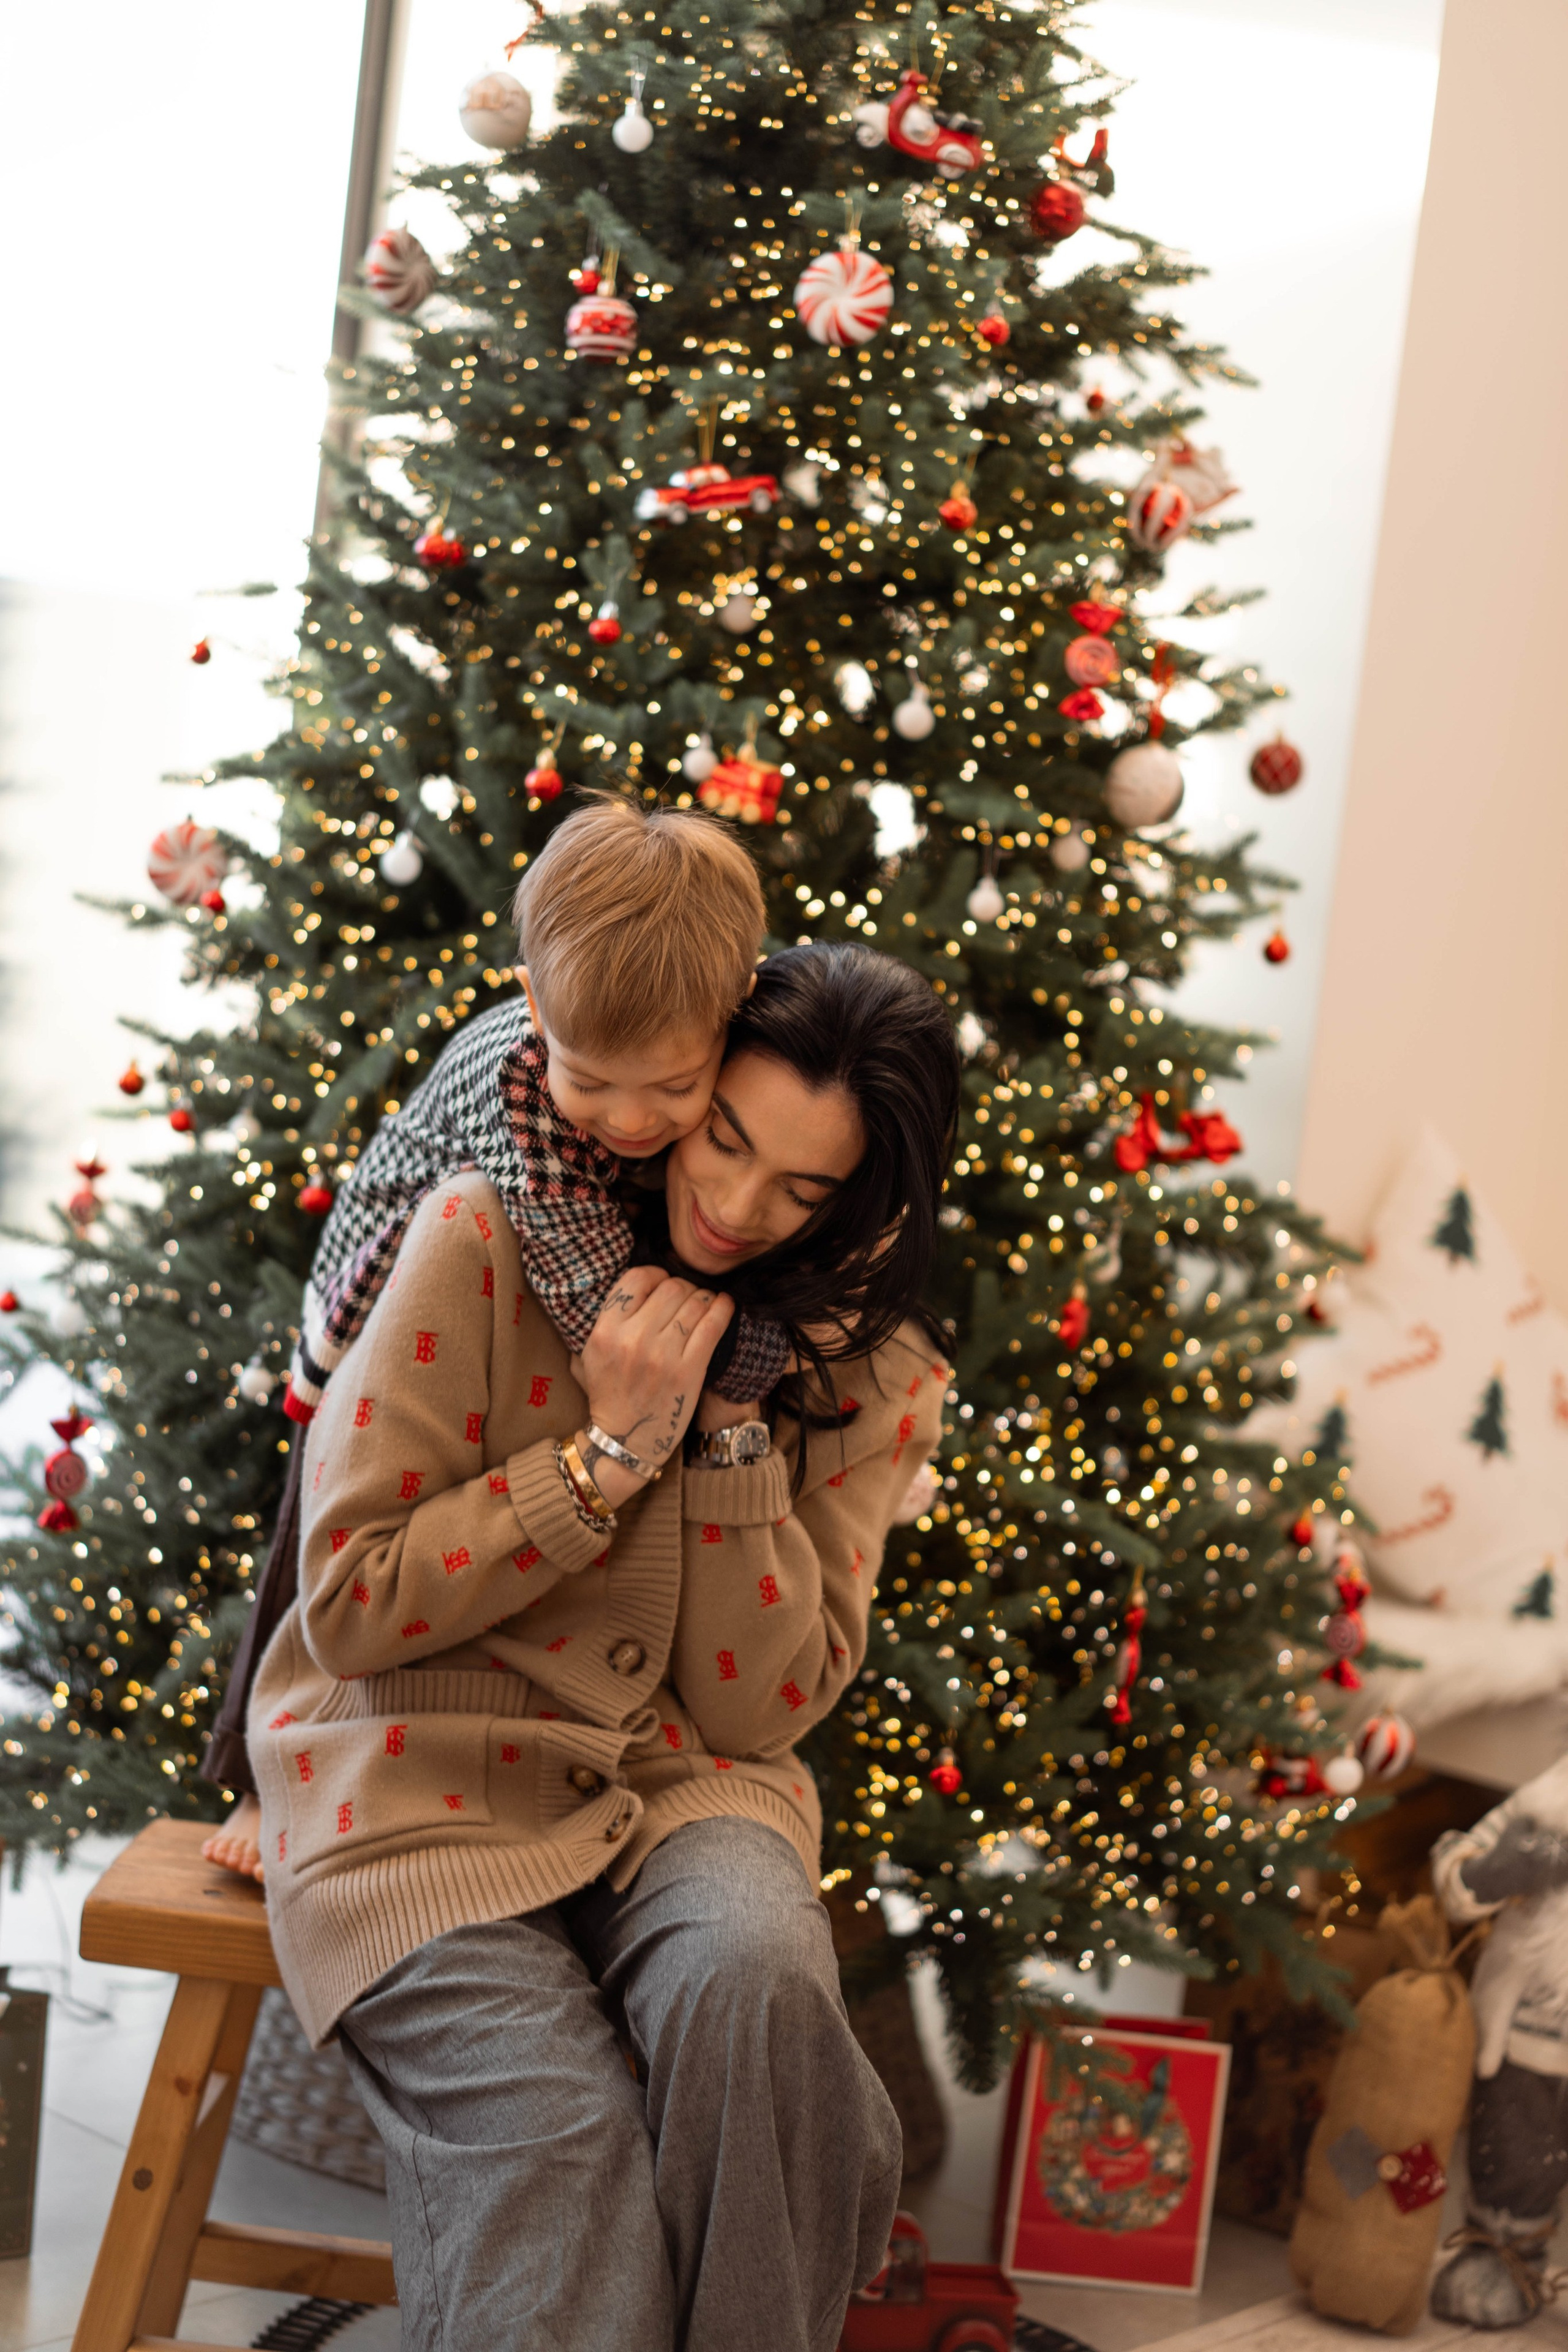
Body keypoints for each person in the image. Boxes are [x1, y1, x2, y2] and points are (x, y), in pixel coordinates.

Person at [246, 940, 959, 2352]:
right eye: (725, 1138)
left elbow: (761, 1711)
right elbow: (353, 1604)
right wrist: (605, 1458)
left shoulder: (873, 1375)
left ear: (865, 1199)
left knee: (758, 1979)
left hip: (687, 1781)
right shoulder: (483, 1234)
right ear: (678, 1087)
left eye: (803, 1189)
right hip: (413, 1766)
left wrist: (732, 1439)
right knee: (560, 2142)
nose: (736, 1206)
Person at [203, 794, 784, 1879]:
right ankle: (250, 1782)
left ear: (736, 1013)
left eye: (671, 1086)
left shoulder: (716, 1056)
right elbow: (588, 1301)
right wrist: (738, 1359)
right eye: (592, 1082)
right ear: (532, 1004)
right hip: (376, 1301)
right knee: (307, 1533)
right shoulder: (520, 1087)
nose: (627, 1120)